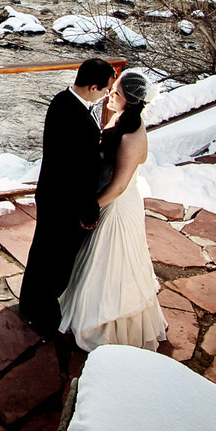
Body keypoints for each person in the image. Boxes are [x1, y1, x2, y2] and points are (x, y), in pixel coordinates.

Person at [58, 71, 168, 352]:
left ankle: (108, 327)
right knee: (94, 262)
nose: (109, 95)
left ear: (130, 101)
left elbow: (119, 186)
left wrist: (91, 207)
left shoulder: (133, 135)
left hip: (117, 206)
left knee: (113, 264)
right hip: (108, 199)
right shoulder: (121, 119)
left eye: (115, 93)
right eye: (112, 89)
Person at [18, 57, 116, 339]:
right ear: (93, 86)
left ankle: (29, 304)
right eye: (106, 89)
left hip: (50, 193)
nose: (108, 94)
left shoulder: (62, 100)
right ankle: (44, 315)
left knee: (41, 252)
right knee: (58, 262)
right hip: (67, 203)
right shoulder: (82, 121)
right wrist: (89, 210)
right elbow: (80, 173)